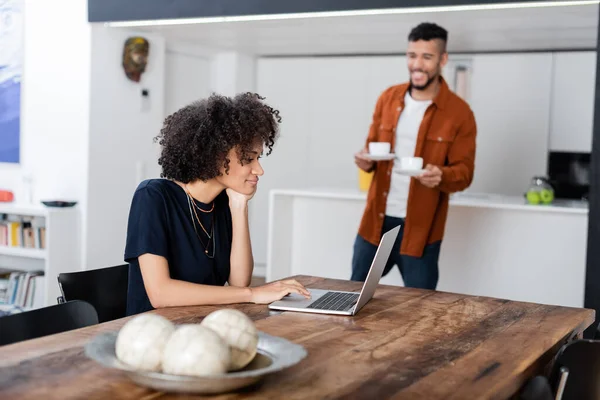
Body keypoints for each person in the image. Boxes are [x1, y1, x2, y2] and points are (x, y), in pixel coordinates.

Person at [124, 93, 310, 316]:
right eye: (249, 158)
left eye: (259, 158)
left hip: (202, 328)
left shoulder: (222, 203)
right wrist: (253, 294)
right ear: (215, 156)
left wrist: (239, 206)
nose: (259, 170)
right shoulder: (153, 196)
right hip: (152, 335)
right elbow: (161, 294)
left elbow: (239, 282)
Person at [351, 22, 477, 289]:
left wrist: (441, 175)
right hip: (376, 223)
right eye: (412, 55)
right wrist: (366, 161)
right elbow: (372, 149)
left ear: (443, 59)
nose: (417, 64)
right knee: (354, 296)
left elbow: (465, 174)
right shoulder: (388, 98)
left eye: (427, 57)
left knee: (421, 308)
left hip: (421, 230)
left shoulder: (459, 113)